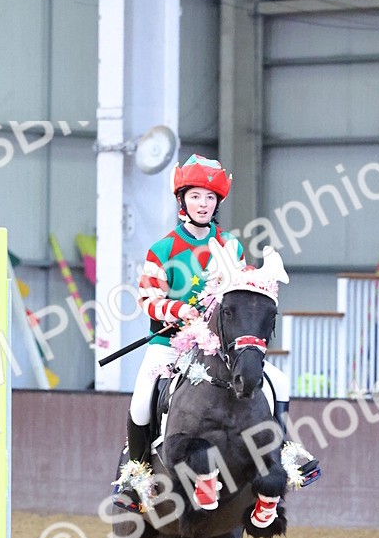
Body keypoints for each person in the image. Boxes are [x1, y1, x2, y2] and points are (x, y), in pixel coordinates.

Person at [116, 153, 320, 509]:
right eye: (196, 196)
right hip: (171, 343)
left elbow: (240, 294)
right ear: (183, 200)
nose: (203, 204)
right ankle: (139, 476)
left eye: (210, 198)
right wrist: (180, 309)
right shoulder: (162, 249)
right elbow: (148, 299)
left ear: (217, 203)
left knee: (280, 382)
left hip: (222, 346)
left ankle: (284, 452)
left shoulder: (232, 246)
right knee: (140, 400)